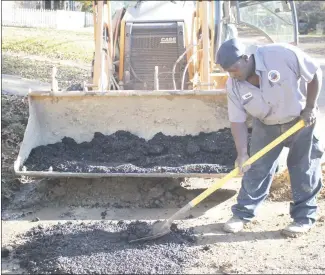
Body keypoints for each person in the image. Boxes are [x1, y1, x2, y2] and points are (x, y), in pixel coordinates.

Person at [216, 38, 324, 237]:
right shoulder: (233, 85)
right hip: (265, 126)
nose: (231, 75)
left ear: (246, 58)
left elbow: (314, 73)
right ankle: (242, 214)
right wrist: (242, 154)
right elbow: (237, 121)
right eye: (227, 71)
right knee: (256, 167)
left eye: (234, 69)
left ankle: (303, 219)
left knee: (304, 168)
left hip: (300, 122)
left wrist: (310, 107)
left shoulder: (281, 54)